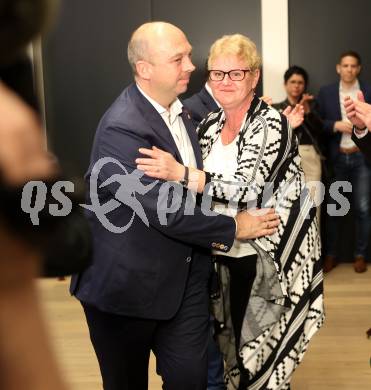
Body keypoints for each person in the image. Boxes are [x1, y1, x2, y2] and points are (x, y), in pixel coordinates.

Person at [70, 22, 280, 390]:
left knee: (191, 381)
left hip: (185, 282)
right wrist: (235, 228)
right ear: (145, 69)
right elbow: (164, 209)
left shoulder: (183, 113)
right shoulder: (123, 128)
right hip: (125, 290)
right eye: (178, 58)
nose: (190, 66)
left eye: (188, 55)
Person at [136, 33, 324, 390]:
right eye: (217, 74)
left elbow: (248, 188)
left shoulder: (270, 122)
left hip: (268, 259)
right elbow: (200, 194)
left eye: (236, 73)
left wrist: (182, 172)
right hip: (224, 253)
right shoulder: (208, 125)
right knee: (233, 354)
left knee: (263, 358)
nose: (225, 82)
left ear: (254, 77)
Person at [317, 50, 371, 273]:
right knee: (336, 210)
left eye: (353, 66)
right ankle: (331, 254)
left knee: (363, 208)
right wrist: (335, 125)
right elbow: (318, 122)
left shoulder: (367, 91)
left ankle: (361, 255)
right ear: (339, 68)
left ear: (358, 69)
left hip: (362, 158)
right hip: (337, 157)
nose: (349, 69)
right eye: (345, 66)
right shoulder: (327, 92)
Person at [273, 66, 324, 220]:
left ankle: (313, 243)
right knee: (285, 206)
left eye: (300, 82)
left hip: (309, 156)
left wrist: (307, 112)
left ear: (305, 85)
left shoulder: (314, 107)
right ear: (285, 84)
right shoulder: (276, 108)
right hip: (285, 157)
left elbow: (321, 132)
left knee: (313, 205)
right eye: (293, 82)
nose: (296, 86)